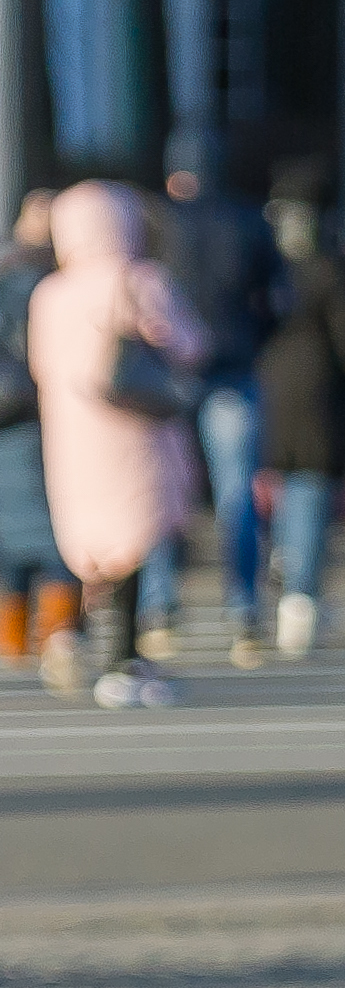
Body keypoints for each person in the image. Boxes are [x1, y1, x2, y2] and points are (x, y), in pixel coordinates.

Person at [30, 183, 212, 708]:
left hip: (70, 433)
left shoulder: (51, 292)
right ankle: (122, 659)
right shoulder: (135, 278)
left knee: (90, 543)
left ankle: (73, 636)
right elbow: (190, 343)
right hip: (135, 430)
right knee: (135, 538)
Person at [151, 152, 285, 663]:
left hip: (168, 374)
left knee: (162, 491)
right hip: (233, 364)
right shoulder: (249, 220)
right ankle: (244, 610)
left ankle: (158, 607)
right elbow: (278, 298)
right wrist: (254, 341)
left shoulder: (158, 223)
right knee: (237, 496)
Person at [255, 155, 345, 658]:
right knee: (308, 488)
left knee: (272, 489)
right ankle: (300, 596)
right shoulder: (330, 263)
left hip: (266, 384)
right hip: (319, 390)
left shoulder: (262, 263)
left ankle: (275, 579)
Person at [0, 193, 71, 673]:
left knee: (9, 529)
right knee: (53, 525)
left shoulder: (7, 273)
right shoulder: (56, 281)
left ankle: (12, 640)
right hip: (46, 414)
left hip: (9, 418)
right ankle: (58, 633)